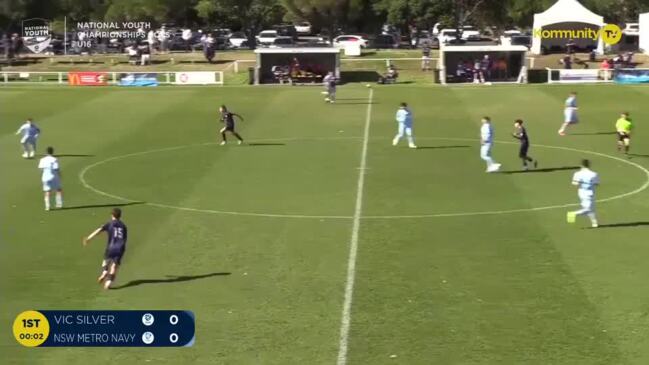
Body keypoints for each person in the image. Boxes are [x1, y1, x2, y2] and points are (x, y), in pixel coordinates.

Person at [83, 208, 128, 290]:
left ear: (112, 215)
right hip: (120, 247)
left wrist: (88, 238)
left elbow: (98, 231)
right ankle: (108, 283)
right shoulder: (124, 226)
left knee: (105, 261)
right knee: (114, 267)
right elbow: (124, 239)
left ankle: (104, 271)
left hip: (111, 247)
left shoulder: (109, 224)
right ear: (120, 216)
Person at [567, 159, 599, 228]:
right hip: (589, 193)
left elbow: (575, 184)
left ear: (581, 165)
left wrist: (580, 182)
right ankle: (573, 213)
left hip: (581, 192)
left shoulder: (577, 174)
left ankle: (594, 223)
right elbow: (596, 184)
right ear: (589, 165)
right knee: (588, 208)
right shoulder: (594, 174)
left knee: (591, 208)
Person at [38, 146, 63, 210]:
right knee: (58, 190)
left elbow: (41, 169)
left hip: (45, 177)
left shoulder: (42, 159)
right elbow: (56, 168)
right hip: (53, 176)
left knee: (47, 191)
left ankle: (47, 206)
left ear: (46, 152)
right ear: (52, 152)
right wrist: (60, 175)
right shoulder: (54, 159)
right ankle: (59, 204)